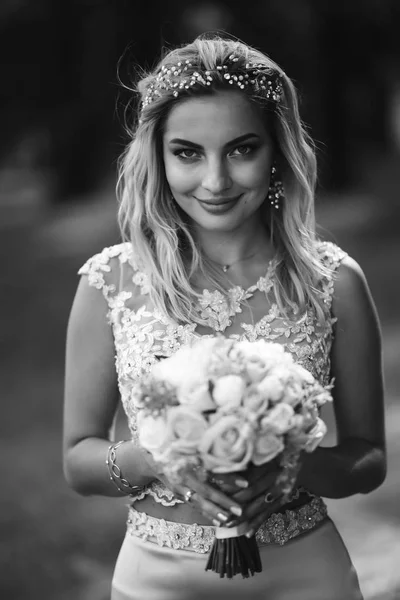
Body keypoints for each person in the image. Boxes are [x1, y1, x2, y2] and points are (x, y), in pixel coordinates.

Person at [62, 34, 386, 600]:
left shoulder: (334, 283)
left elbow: (369, 458)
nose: (215, 181)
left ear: (278, 151)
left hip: (306, 575)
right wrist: (165, 455)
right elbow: (78, 460)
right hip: (156, 577)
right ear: (158, 158)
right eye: (188, 152)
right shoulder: (109, 282)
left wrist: (289, 464)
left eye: (241, 150)